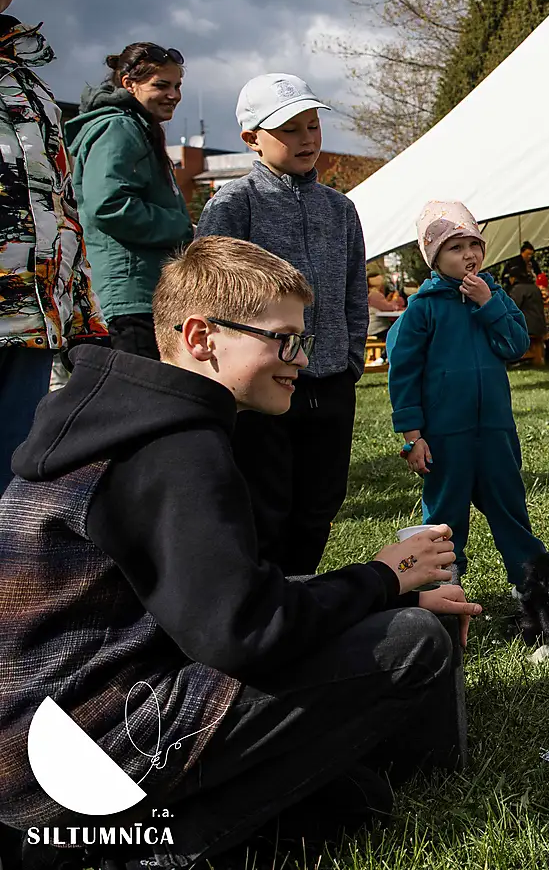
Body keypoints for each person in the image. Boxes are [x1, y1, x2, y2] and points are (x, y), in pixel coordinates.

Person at [0, 237, 479, 869]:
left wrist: (383, 589)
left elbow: (222, 601)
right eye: (282, 340)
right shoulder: (174, 447)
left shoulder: (129, 420)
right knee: (411, 641)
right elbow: (246, 633)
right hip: (82, 761)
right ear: (202, 337)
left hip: (41, 756)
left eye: (302, 340)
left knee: (354, 799)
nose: (300, 360)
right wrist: (385, 580)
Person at [195, 73, 368, 576]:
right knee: (264, 504)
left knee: (320, 502)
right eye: (290, 130)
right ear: (252, 138)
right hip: (261, 387)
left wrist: (350, 360)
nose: (307, 139)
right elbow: (208, 292)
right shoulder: (232, 205)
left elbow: (354, 291)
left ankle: (301, 591)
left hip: (330, 380)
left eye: (313, 125)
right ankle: (264, 599)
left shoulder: (340, 209)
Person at [388, 202, 547, 593]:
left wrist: (487, 304)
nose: (469, 254)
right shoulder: (423, 308)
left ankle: (531, 583)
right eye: (455, 248)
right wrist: (412, 436)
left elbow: (516, 344)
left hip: (495, 431)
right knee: (444, 514)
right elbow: (403, 372)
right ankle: (442, 584)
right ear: (434, 257)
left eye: (474, 244)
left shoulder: (494, 295)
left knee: (510, 507)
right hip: (445, 436)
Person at [0, 0, 102, 490]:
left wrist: (80, 310)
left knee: (14, 484)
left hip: (28, 318)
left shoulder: (26, 82)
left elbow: (59, 205)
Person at [67, 42, 194, 359]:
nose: (173, 95)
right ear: (129, 84)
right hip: (127, 300)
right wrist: (181, 227)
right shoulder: (119, 128)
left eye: (177, 86)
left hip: (140, 296)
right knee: (139, 391)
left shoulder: (136, 127)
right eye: (161, 85)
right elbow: (108, 206)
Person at [506, 251, 548, 366]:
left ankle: (513, 358)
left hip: (528, 326)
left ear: (513, 278)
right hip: (541, 325)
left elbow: (512, 308)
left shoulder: (517, 289)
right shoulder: (534, 287)